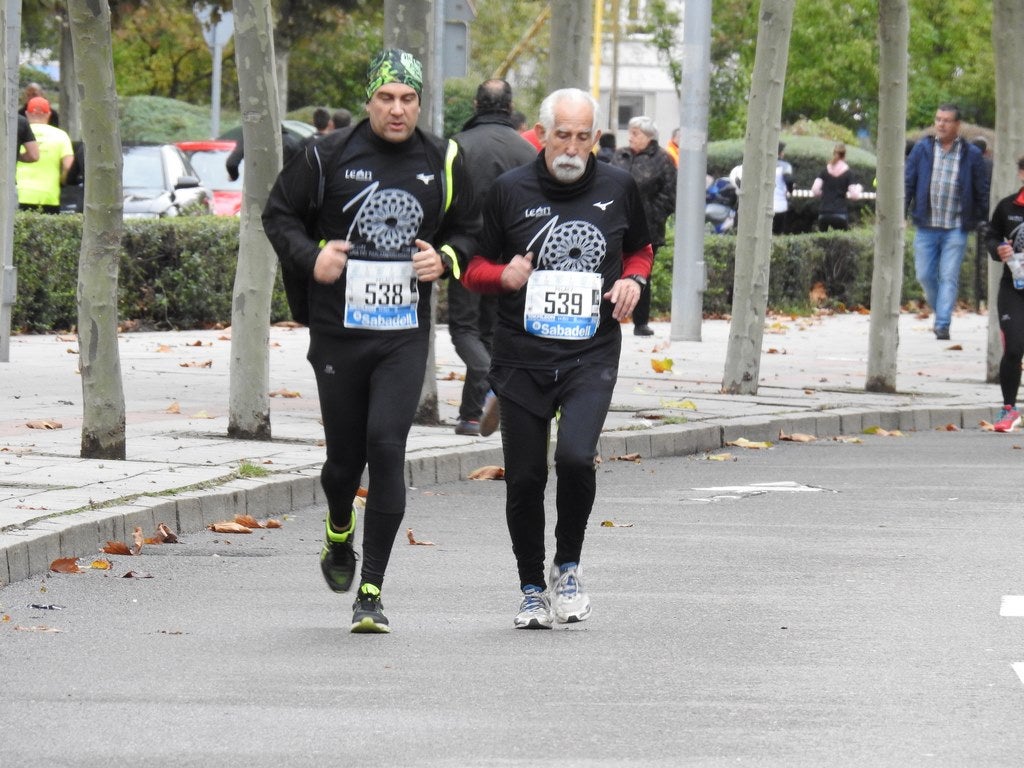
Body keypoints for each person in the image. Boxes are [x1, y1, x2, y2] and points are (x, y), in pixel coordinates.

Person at [262, 49, 479, 634]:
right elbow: (278, 214)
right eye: (387, 97)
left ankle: (372, 591)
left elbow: (472, 228)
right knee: (343, 461)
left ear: (419, 102)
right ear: (369, 100)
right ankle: (338, 528)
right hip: (339, 333)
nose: (398, 109)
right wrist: (314, 259)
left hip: (402, 336)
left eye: (408, 98)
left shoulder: (444, 157)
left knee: (386, 446)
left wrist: (447, 257)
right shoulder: (326, 154)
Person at [461, 88, 653, 629]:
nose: (571, 147)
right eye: (561, 135)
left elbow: (640, 247)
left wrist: (635, 279)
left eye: (582, 136)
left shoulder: (618, 186)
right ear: (541, 135)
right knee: (524, 478)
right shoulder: (508, 191)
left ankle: (567, 565)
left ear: (596, 139)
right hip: (521, 354)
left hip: (590, 353)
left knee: (572, 457)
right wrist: (503, 276)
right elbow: (472, 267)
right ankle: (530, 588)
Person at [449, 79, 536, 436]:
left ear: (475, 103)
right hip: (511, 260)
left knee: (464, 329)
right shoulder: (528, 150)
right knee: (487, 331)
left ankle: (491, 383)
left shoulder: (457, 146)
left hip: (468, 253)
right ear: (510, 106)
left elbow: (447, 201)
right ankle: (471, 414)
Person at [905, 103, 990, 340]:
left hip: (955, 227)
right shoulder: (922, 149)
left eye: (946, 120)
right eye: (938, 119)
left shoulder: (971, 155)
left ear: (957, 125)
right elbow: (908, 182)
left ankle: (942, 323)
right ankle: (940, 308)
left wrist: (983, 219)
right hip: (926, 224)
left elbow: (981, 189)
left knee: (949, 276)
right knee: (924, 275)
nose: (941, 124)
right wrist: (902, 213)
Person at [610, 115, 676, 336]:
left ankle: (640, 321)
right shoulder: (620, 155)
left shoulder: (663, 160)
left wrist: (650, 215)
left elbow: (669, 195)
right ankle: (609, 316)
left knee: (641, 273)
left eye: (635, 133)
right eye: (629, 132)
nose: (630, 137)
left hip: (648, 226)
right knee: (612, 269)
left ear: (648, 137)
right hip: (617, 222)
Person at [984, 156, 1024, 433]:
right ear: (1021, 174)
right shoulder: (1008, 207)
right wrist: (998, 249)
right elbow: (991, 234)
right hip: (1014, 288)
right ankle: (1008, 409)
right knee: (1014, 348)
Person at [15, 97, 72, 213]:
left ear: (27, 113)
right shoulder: (61, 135)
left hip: (20, 194)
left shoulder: (18, 132)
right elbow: (68, 166)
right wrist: (62, 181)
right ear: (49, 114)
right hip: (49, 196)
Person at [811, 142, 862, 231]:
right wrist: (859, 188)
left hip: (824, 213)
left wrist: (824, 193)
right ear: (844, 155)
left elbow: (815, 190)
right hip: (840, 213)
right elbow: (854, 196)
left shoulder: (824, 171)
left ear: (833, 153)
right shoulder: (848, 173)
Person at [225, 124, 304, 182]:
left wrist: (234, 176)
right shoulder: (293, 143)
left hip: (260, 190)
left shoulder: (251, 137)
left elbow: (232, 163)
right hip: (286, 192)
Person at [773, 142, 794, 235]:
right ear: (780, 153)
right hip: (780, 205)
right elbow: (788, 181)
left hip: (764, 206)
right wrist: (791, 190)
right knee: (777, 233)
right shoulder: (785, 166)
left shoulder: (763, 165)